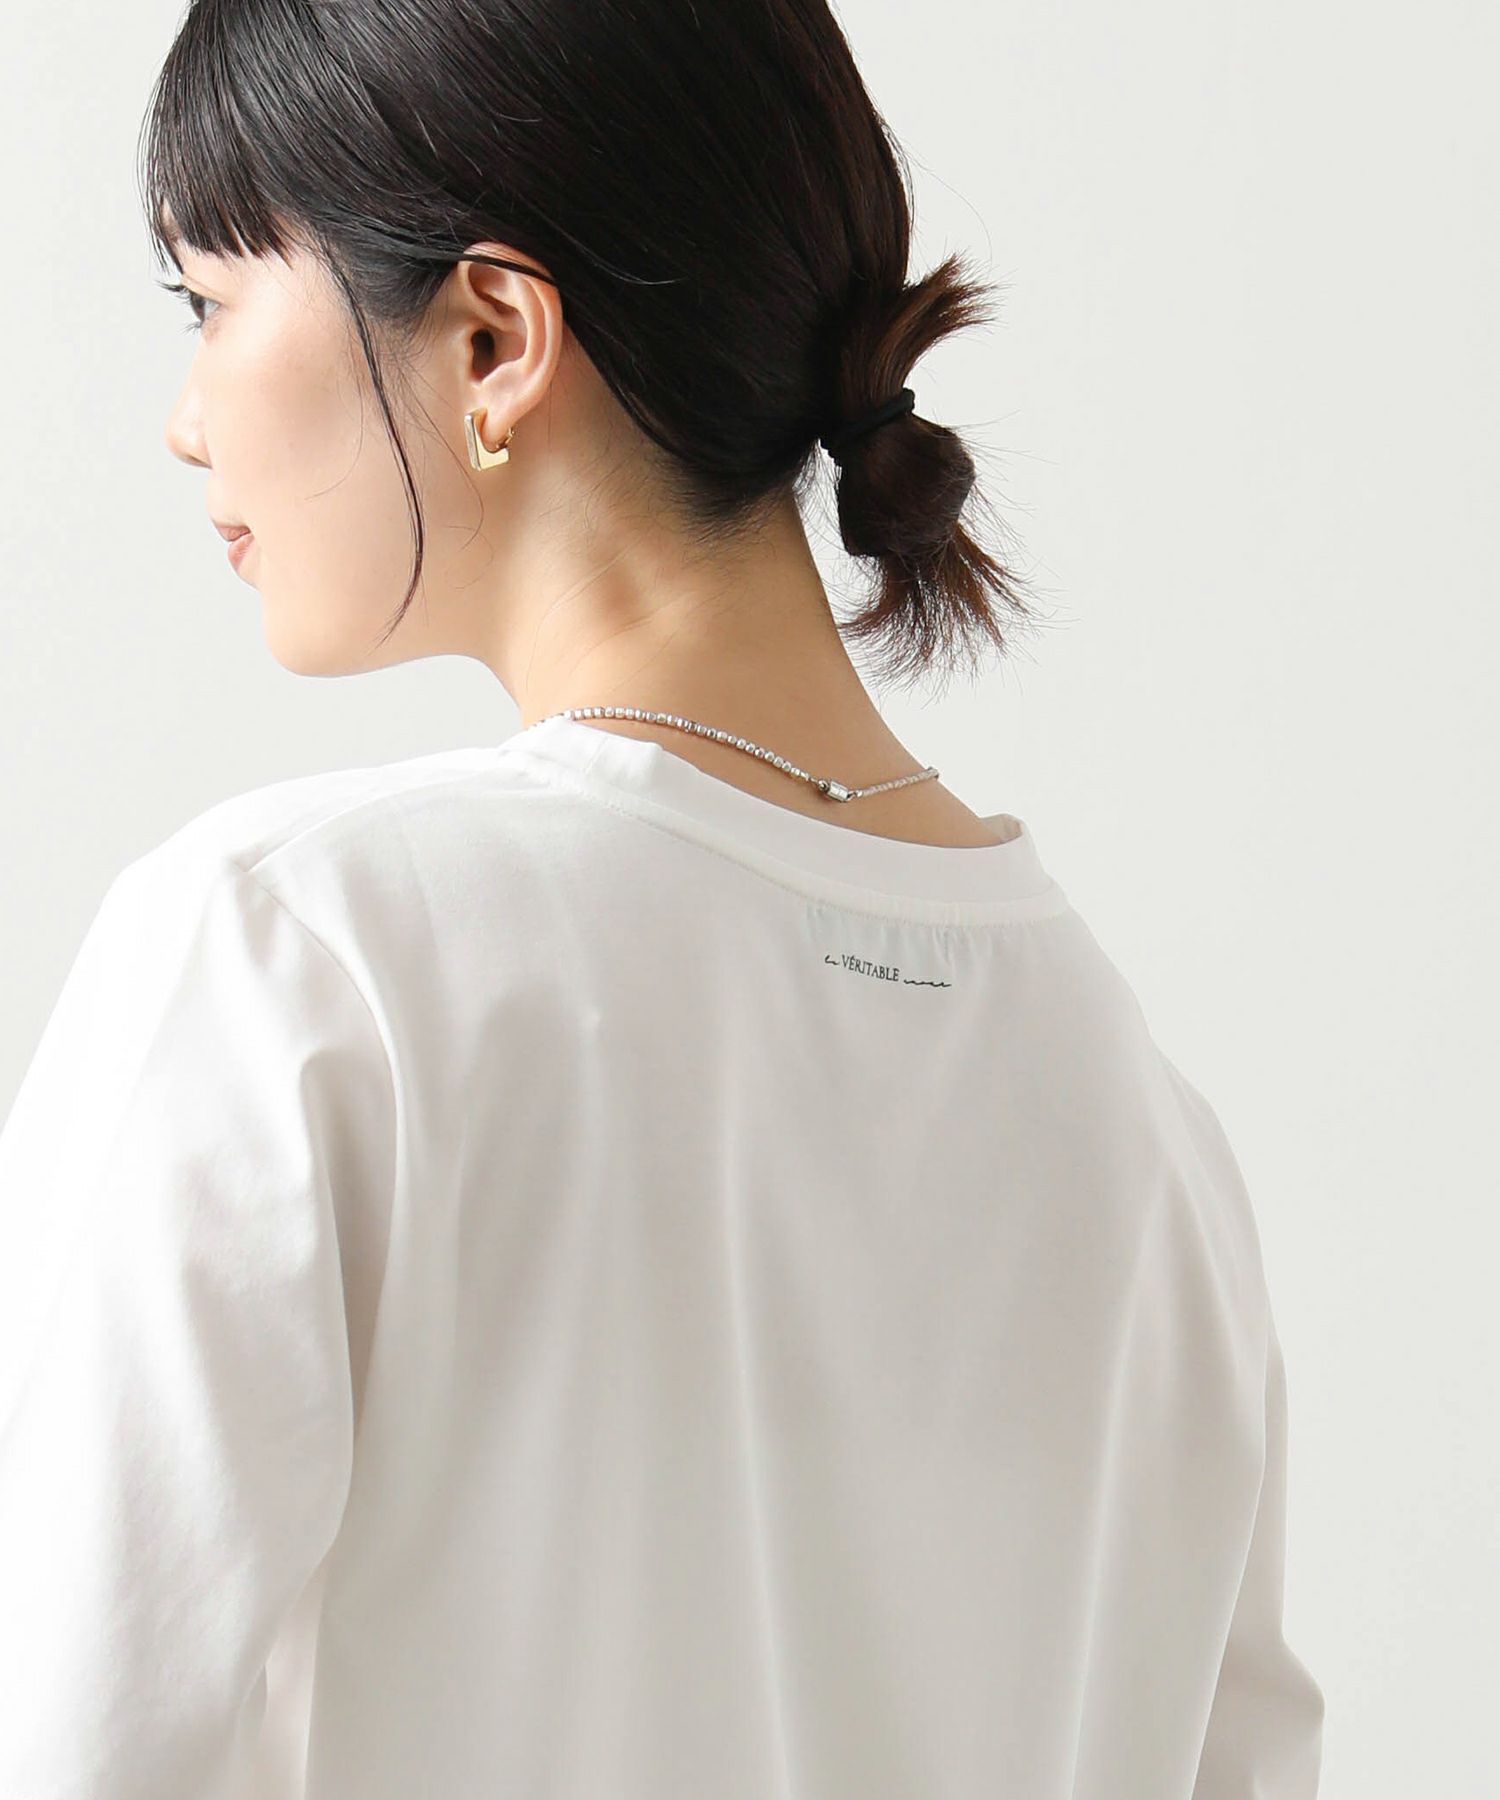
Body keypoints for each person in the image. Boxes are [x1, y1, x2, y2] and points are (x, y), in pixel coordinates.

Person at [0, 0, 1325, 1795]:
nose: (184, 422)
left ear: (493, 335)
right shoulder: (1139, 1121)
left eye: (209, 301)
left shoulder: (296, 958)